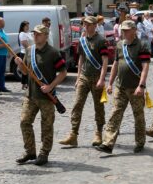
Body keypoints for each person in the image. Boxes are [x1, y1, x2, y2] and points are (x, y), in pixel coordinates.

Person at [14, 25, 67, 166]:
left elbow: (63, 73)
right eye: (34, 34)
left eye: (38, 34)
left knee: (47, 126)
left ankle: (44, 153)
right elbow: (25, 72)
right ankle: (30, 152)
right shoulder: (29, 50)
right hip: (30, 95)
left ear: (45, 35)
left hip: (47, 97)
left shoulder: (53, 53)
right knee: (24, 122)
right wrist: (19, 64)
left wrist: (50, 86)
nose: (35, 36)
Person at [96, 20, 150, 154]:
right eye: (122, 30)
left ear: (134, 31)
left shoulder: (142, 45)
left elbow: (145, 67)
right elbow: (115, 64)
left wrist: (141, 85)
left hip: (135, 87)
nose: (123, 32)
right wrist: (110, 83)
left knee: (138, 116)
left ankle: (140, 142)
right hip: (120, 87)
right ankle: (108, 143)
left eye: (126, 30)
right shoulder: (120, 45)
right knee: (115, 113)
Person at [59, 16, 109, 147]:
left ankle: (98, 132)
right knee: (77, 105)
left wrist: (102, 79)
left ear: (94, 25)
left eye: (88, 24)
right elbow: (81, 58)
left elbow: (105, 61)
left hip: (96, 77)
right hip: (84, 77)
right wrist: (78, 77)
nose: (85, 26)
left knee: (98, 107)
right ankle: (73, 134)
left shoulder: (101, 41)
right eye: (84, 24)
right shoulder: (82, 40)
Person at [17, 21, 32, 90]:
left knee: (28, 69)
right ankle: (24, 84)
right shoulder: (22, 34)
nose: (28, 27)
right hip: (25, 53)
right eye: (26, 26)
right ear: (23, 27)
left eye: (28, 26)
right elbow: (24, 44)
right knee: (25, 69)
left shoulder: (28, 33)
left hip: (29, 52)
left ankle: (27, 84)